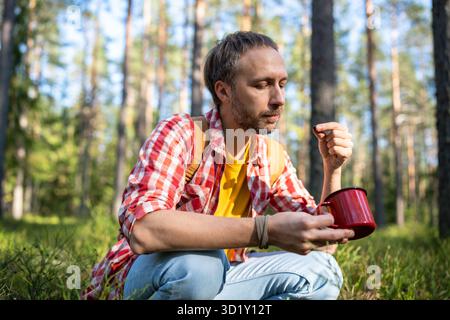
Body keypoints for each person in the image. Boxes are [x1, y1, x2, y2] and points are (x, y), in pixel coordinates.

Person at [82, 31, 355, 300]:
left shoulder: (272, 157)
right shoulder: (183, 134)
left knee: (323, 272)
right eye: (262, 85)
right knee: (201, 266)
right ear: (223, 91)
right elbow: (144, 230)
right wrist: (264, 230)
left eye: (282, 84)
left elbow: (324, 245)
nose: (279, 99)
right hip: (154, 277)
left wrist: (333, 168)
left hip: (223, 276)